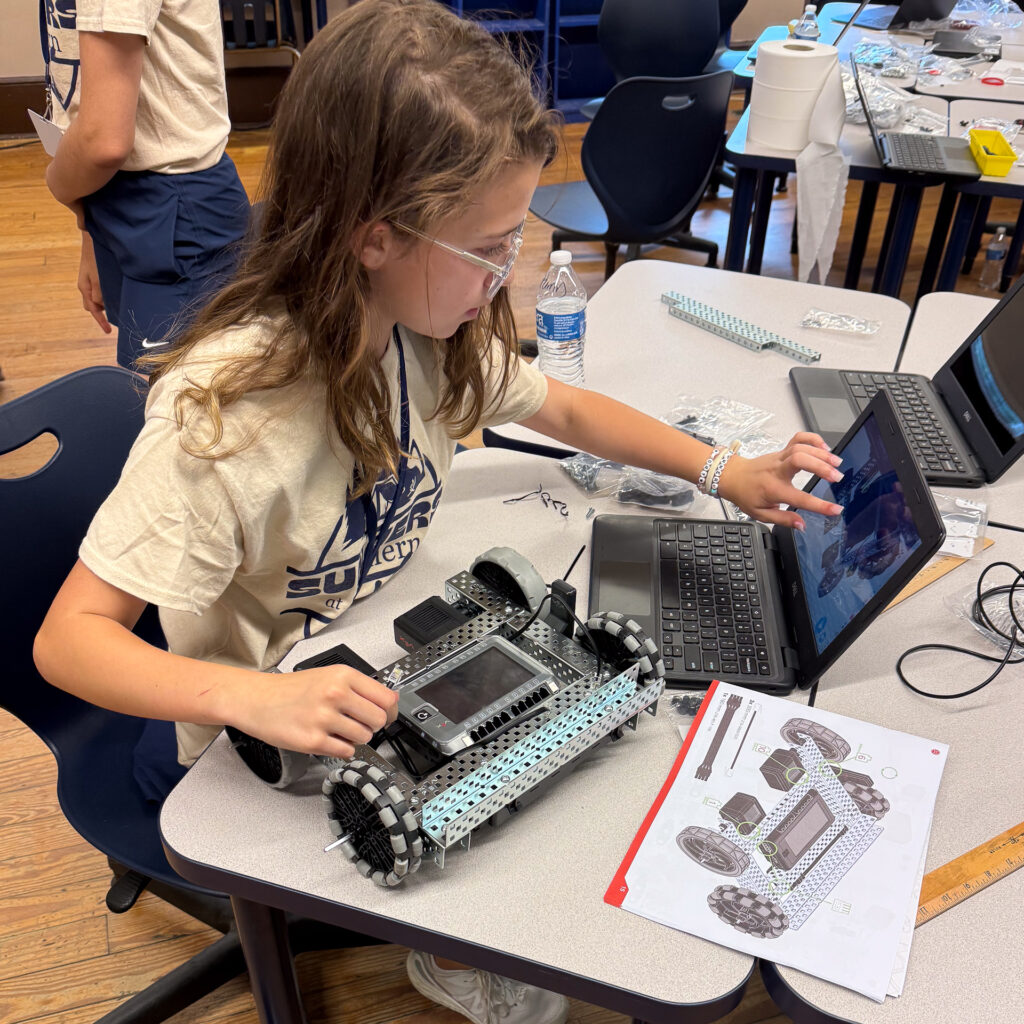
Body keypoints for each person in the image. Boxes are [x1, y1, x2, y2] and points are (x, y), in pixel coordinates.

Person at [33, 2, 845, 1021]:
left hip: (384, 655)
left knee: (608, 761)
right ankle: (437, 953)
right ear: (375, 238)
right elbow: (70, 643)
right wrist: (247, 698)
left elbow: (564, 403)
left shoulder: (422, 330)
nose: (503, 274)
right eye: (488, 246)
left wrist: (724, 468)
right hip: (265, 737)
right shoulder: (225, 422)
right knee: (550, 862)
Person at [41, 0, 251, 369]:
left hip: (174, 209)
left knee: (172, 413)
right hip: (115, 195)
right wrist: (89, 228)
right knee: (149, 394)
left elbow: (104, 141)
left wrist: (58, 184)